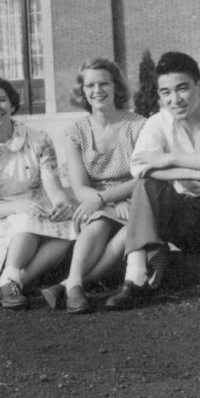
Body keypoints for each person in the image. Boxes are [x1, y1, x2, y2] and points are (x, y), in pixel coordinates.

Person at [105, 51, 200, 312]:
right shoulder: (157, 122)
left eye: (182, 88)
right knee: (146, 184)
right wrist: (193, 173)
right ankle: (135, 279)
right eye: (165, 92)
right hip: (185, 224)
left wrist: (170, 159)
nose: (174, 100)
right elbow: (139, 167)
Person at [39, 59, 146, 314]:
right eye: (90, 85)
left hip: (134, 199)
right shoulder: (76, 132)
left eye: (103, 84)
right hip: (96, 202)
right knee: (97, 221)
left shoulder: (139, 125)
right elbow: (79, 187)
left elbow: (144, 177)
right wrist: (109, 200)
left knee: (133, 225)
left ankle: (69, 285)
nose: (97, 91)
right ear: (82, 90)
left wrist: (116, 198)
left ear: (116, 87)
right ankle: (74, 283)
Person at [0, 77, 76, 309]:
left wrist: (61, 203)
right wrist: (19, 207)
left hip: (37, 203)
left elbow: (52, 186)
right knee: (25, 219)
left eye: (1, 100)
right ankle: (12, 277)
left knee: (71, 227)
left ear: (12, 105)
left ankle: (12, 282)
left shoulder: (39, 140)